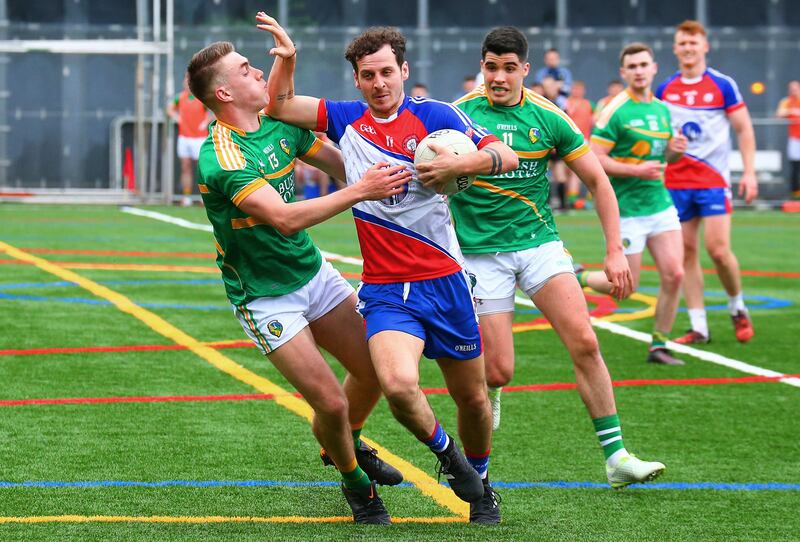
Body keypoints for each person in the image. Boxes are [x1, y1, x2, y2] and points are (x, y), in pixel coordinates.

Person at [260, 12, 518, 524]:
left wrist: (456, 166)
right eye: (368, 75)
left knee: (473, 398)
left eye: (386, 72)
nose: (378, 83)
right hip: (383, 290)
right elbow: (281, 105)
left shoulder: (437, 116)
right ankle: (451, 460)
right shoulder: (344, 118)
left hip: (445, 283)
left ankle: (481, 478)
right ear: (356, 79)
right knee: (398, 384)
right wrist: (288, 60)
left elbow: (504, 157)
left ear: (404, 70)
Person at [187, 40, 411, 525]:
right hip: (265, 297)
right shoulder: (221, 157)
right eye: (247, 70)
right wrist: (361, 190)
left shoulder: (279, 124)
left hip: (314, 273)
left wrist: (423, 170)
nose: (257, 74)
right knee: (330, 401)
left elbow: (344, 165)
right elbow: (286, 219)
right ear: (224, 93)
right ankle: (357, 484)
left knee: (374, 367)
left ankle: (343, 442)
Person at [452, 26, 666, 488]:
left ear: (525, 71)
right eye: (492, 67)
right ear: (482, 67)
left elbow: (599, 182)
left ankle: (617, 458)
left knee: (586, 341)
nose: (500, 77)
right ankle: (493, 388)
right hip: (479, 254)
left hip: (538, 244)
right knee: (499, 369)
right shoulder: (457, 118)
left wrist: (615, 251)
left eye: (510, 69)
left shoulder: (550, 117)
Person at [576, 43, 688, 366]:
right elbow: (593, 159)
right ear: (623, 72)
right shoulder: (615, 110)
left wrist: (675, 151)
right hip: (627, 209)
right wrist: (634, 170)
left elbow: (663, 157)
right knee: (624, 287)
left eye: (644, 65)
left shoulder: (662, 109)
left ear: (654, 67)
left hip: (660, 204)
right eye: (632, 67)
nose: (639, 71)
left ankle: (659, 344)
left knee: (675, 274)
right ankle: (579, 277)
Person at [655, 20, 758, 344]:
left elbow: (744, 129)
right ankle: (698, 326)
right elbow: (660, 137)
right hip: (676, 181)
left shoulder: (722, 85)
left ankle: (737, 307)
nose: (687, 48)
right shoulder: (665, 89)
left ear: (705, 47)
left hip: (713, 180)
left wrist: (750, 172)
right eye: (682, 43)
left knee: (718, 250)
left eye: (693, 43)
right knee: (686, 252)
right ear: (675, 48)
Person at [168, 73, 214, 206]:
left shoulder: (201, 97)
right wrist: (176, 117)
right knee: (185, 167)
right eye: (185, 80)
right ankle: (186, 196)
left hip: (199, 139)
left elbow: (212, 111)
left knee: (202, 168)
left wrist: (205, 122)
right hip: (184, 138)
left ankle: (203, 197)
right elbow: (169, 108)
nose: (186, 83)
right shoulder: (180, 98)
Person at [564, 81, 595, 207]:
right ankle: (569, 198)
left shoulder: (589, 104)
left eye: (579, 89)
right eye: (575, 89)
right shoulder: (565, 102)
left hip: (583, 141)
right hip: (565, 140)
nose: (577, 92)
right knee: (565, 172)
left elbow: (595, 122)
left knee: (583, 170)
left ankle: (585, 200)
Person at [776, 80, 800, 199]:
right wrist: (792, 111)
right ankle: (796, 192)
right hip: (795, 138)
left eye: (795, 88)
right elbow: (779, 113)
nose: (793, 91)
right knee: (795, 166)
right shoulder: (787, 101)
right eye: (791, 88)